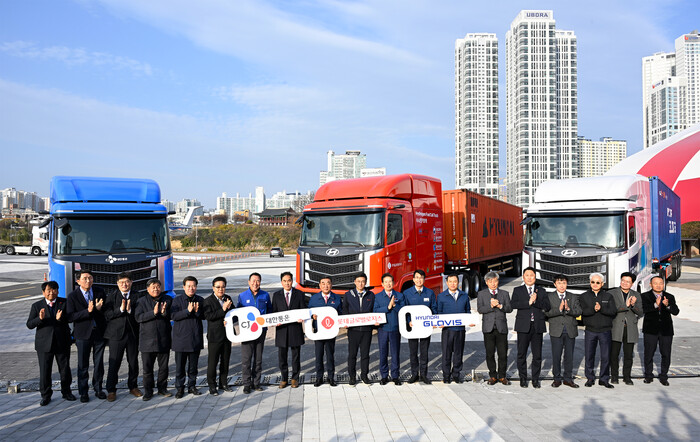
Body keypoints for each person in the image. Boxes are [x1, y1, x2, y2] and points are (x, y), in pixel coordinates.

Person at [26, 281, 75, 406]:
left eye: (54, 290)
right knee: (45, 370)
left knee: (64, 369)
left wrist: (61, 318)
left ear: (58, 291)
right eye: (48, 290)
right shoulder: (37, 306)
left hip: (62, 342)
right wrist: (40, 319)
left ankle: (66, 392)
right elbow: (29, 324)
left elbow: (71, 318)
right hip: (44, 344)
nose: (51, 293)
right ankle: (45, 395)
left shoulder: (64, 302)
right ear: (43, 292)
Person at [66, 269, 107, 402]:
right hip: (82, 334)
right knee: (83, 365)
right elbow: (70, 316)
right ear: (78, 281)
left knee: (99, 363)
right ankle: (83, 392)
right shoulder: (73, 296)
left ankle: (98, 388)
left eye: (90, 278)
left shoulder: (99, 291)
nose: (88, 281)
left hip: (99, 332)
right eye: (85, 278)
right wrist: (88, 311)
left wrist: (99, 310)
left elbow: (106, 311)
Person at [103, 272, 142, 401]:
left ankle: (133, 387)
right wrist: (120, 310)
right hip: (116, 335)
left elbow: (140, 314)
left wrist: (130, 310)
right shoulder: (111, 297)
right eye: (121, 282)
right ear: (117, 284)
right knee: (114, 363)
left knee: (133, 362)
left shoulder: (138, 296)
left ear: (131, 282)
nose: (124, 284)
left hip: (132, 334)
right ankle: (111, 390)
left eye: (127, 282)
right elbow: (107, 315)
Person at [510, 267, 551, 388]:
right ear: (523, 277)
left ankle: (535, 379)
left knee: (537, 355)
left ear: (535, 277)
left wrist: (535, 301)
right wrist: (528, 303)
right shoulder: (518, 290)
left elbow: (547, 306)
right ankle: (523, 378)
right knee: (521, 354)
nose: (529, 278)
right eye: (527, 275)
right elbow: (513, 304)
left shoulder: (541, 291)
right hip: (523, 326)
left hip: (537, 326)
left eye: (531, 275)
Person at [135, 278, 173, 400]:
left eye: (158, 286)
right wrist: (153, 313)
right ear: (148, 289)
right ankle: (148, 391)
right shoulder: (141, 301)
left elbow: (172, 315)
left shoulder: (168, 299)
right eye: (153, 287)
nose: (156, 289)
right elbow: (138, 317)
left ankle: (162, 388)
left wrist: (164, 313)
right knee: (147, 369)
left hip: (163, 340)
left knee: (163, 368)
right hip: (147, 341)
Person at [579, 272, 617, 388]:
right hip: (590, 330)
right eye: (593, 282)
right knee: (589, 355)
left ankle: (604, 379)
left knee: (605, 356)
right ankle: (590, 378)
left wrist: (601, 309)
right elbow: (582, 312)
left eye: (597, 282)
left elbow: (613, 312)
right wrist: (593, 309)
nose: (595, 284)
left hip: (605, 330)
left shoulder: (608, 296)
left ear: (602, 284)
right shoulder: (584, 296)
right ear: (590, 283)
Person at [544, 274, 581, 388]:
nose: (561, 285)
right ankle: (557, 379)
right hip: (556, 330)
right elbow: (546, 313)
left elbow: (579, 311)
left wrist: (568, 309)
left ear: (567, 284)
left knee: (569, 356)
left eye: (564, 283)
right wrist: (559, 309)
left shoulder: (573, 296)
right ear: (554, 284)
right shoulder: (549, 297)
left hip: (570, 330)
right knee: (556, 355)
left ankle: (568, 379)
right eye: (559, 283)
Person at [641, 275, 680, 386]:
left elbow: (676, 311)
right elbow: (643, 310)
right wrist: (655, 305)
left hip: (666, 330)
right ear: (650, 285)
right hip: (650, 329)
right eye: (656, 283)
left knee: (666, 354)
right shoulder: (645, 296)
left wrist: (667, 306)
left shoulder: (669, 296)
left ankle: (663, 376)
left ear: (663, 284)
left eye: (660, 283)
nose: (658, 285)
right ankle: (648, 375)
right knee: (649, 354)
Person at [237, 272, 272, 394]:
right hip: (247, 333)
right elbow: (237, 314)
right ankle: (246, 384)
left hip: (261, 331)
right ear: (249, 282)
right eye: (253, 281)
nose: (255, 283)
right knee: (246, 359)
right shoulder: (242, 296)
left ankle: (256, 382)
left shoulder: (265, 295)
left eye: (258, 281)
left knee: (258, 359)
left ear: (260, 282)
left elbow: (270, 312)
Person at [271, 272, 307, 389]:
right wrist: (274, 321)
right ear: (281, 282)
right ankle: (284, 378)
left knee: (296, 356)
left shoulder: (299, 294)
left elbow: (303, 309)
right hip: (281, 330)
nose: (287, 283)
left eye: (289, 280)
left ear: (292, 281)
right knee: (282, 357)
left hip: (295, 329)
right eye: (285, 281)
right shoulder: (276, 295)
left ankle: (295, 378)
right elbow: (273, 312)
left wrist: (302, 318)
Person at [477, 271, 513, 386]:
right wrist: (491, 306)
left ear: (498, 281)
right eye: (490, 281)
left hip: (501, 328)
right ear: (486, 282)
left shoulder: (504, 293)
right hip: (488, 328)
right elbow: (480, 309)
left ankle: (502, 376)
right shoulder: (481, 294)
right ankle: (492, 375)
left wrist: (500, 306)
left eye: (495, 281)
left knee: (502, 354)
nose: (493, 283)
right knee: (490, 353)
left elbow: (509, 309)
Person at [171, 276, 205, 398]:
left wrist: (197, 311)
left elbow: (204, 316)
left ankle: (192, 386)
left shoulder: (200, 300)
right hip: (181, 339)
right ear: (184, 287)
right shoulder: (177, 300)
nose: (191, 288)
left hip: (195, 338)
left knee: (193, 367)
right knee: (180, 367)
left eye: (193, 286)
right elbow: (173, 316)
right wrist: (187, 311)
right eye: (189, 286)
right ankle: (180, 388)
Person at [403, 269, 437, 384]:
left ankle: (423, 374)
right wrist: (408, 321)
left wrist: (433, 321)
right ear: (413, 279)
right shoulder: (407, 293)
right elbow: (404, 310)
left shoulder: (430, 293)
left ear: (424, 279)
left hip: (425, 328)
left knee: (424, 351)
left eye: (421, 278)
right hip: (412, 328)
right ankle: (414, 374)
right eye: (417, 277)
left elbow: (434, 308)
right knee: (413, 352)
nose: (419, 280)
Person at [609, 272, 643, 385]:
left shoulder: (636, 295)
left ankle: (627, 377)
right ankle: (614, 376)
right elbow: (611, 310)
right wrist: (625, 305)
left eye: (628, 282)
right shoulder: (612, 293)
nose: (624, 283)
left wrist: (633, 306)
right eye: (623, 280)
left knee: (628, 355)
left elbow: (641, 312)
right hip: (616, 327)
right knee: (614, 354)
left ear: (632, 283)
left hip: (630, 328)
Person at [437, 273, 471, 384]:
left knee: (458, 353)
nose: (452, 284)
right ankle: (446, 376)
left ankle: (456, 374)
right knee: (446, 354)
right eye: (450, 281)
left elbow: (468, 311)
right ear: (447, 283)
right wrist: (439, 322)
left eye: (455, 281)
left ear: (458, 282)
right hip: (447, 330)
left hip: (460, 330)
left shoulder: (464, 296)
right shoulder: (441, 296)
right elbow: (439, 312)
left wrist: (470, 320)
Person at [202, 277, 233, 395]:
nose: (221, 289)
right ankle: (212, 385)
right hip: (214, 337)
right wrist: (223, 309)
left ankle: (223, 383)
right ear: (213, 288)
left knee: (225, 361)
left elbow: (233, 313)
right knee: (212, 363)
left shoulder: (228, 298)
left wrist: (229, 319)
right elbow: (208, 316)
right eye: (218, 287)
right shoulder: (208, 301)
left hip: (227, 336)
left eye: (223, 287)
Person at [308, 276, 342, 387]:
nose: (325, 286)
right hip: (318, 332)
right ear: (319, 285)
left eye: (328, 283)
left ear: (331, 285)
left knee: (330, 355)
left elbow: (341, 313)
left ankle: (331, 377)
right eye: (323, 283)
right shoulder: (314, 298)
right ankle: (319, 377)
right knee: (319, 355)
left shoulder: (336, 298)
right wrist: (312, 316)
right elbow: (308, 312)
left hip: (331, 332)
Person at [343, 272, 375, 386]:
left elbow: (374, 311)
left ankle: (364, 375)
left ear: (365, 282)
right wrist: (345, 322)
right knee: (352, 354)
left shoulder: (371, 295)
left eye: (363, 281)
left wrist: (375, 322)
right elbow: (345, 310)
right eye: (358, 281)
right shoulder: (348, 295)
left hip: (367, 330)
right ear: (354, 282)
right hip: (353, 330)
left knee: (365, 354)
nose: (360, 283)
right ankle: (352, 376)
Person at [374, 273, 405, 385]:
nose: (388, 284)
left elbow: (403, 310)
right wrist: (388, 307)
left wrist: (395, 305)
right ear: (382, 284)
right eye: (385, 282)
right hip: (383, 328)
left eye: (390, 282)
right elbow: (375, 310)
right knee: (383, 353)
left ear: (394, 283)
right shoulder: (377, 296)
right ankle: (384, 376)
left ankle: (395, 376)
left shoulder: (399, 296)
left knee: (395, 353)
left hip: (395, 328)